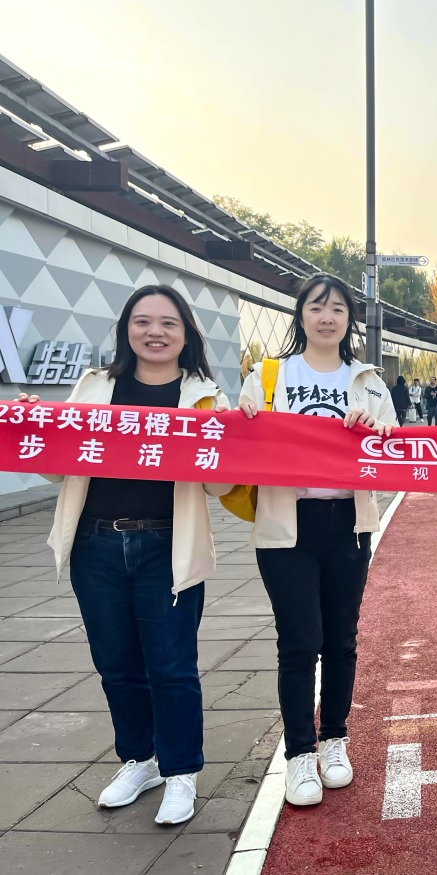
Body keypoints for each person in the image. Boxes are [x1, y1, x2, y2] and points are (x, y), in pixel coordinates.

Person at [17, 285, 230, 826]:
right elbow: (58, 470)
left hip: (166, 546)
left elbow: (220, 486)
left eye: (168, 323)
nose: (154, 332)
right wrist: (35, 428)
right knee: (116, 663)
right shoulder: (94, 387)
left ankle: (181, 770)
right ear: (126, 330)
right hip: (96, 545)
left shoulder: (206, 397)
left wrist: (238, 436)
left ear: (186, 334)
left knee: (171, 666)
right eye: (142, 321)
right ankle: (140, 760)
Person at [239, 272, 395, 807]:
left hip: (347, 522)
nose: (327, 317)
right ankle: (300, 753)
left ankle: (334, 739)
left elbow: (392, 453)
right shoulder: (268, 375)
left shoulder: (367, 380)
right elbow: (242, 447)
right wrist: (248, 420)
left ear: (350, 320)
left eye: (337, 309)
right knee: (299, 640)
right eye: (316, 307)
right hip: (287, 524)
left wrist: (374, 429)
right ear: (300, 315)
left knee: (341, 638)